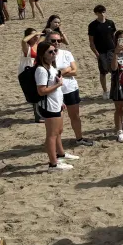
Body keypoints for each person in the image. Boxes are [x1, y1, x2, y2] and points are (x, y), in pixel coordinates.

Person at [35, 41, 77, 171]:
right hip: (49, 106)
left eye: (55, 51)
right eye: (50, 52)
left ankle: (60, 154)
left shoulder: (50, 67)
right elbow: (41, 91)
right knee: (52, 135)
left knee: (58, 131)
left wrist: (61, 102)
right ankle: (53, 164)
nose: (54, 53)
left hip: (56, 103)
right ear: (43, 54)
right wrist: (58, 85)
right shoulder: (41, 70)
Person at [47, 31, 93, 146]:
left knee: (75, 116)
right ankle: (58, 146)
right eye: (53, 40)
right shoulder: (45, 55)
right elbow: (49, 75)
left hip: (70, 89)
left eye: (59, 40)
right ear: (48, 41)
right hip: (54, 91)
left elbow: (75, 71)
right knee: (58, 121)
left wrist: (60, 73)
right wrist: (66, 70)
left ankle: (79, 138)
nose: (57, 43)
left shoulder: (66, 53)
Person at [88, 5, 117, 100]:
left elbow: (113, 37)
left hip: (111, 50)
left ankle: (114, 89)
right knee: (103, 71)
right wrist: (97, 54)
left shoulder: (110, 23)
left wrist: (116, 49)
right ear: (96, 14)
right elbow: (91, 42)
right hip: (101, 51)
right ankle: (105, 91)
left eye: (104, 12)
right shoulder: (93, 25)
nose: (102, 14)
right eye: (100, 13)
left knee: (114, 70)